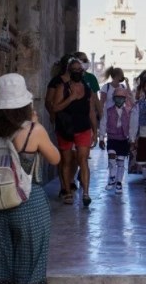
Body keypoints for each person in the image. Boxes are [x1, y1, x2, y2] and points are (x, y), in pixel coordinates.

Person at [0, 74, 61, 284]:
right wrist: (35, 125)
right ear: (25, 103)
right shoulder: (34, 131)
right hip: (29, 206)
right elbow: (55, 158)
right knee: (28, 279)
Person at [53, 57, 98, 206]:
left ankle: (86, 193)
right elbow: (55, 107)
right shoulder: (62, 88)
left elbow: (91, 110)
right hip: (65, 128)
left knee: (83, 160)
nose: (77, 72)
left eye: (80, 70)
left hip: (83, 128)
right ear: (69, 71)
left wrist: (95, 130)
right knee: (66, 160)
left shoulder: (87, 89)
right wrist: (70, 98)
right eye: (74, 70)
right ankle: (67, 191)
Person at [45, 54, 74, 196]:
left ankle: (70, 181)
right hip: (63, 122)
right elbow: (48, 101)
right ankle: (64, 185)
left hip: (79, 124)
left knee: (74, 157)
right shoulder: (56, 81)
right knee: (64, 156)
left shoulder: (80, 81)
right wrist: (53, 114)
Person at [99, 88, 132, 195]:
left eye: (122, 98)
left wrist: (132, 139)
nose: (119, 100)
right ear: (113, 98)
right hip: (112, 137)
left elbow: (132, 126)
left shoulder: (128, 111)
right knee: (111, 157)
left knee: (121, 161)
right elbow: (103, 123)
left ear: (125, 99)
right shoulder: (108, 110)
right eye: (117, 97)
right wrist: (101, 137)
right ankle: (112, 177)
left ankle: (119, 183)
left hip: (123, 139)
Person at [75, 51, 102, 120]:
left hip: (88, 116)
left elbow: (96, 99)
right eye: (84, 60)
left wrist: (102, 116)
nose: (86, 62)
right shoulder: (71, 77)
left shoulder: (91, 78)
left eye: (86, 60)